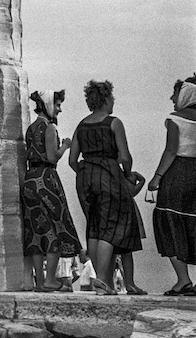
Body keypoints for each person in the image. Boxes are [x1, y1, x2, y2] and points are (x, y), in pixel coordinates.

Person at [68, 79, 146, 295]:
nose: (113, 101)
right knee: (110, 227)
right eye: (112, 97)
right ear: (105, 99)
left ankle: (100, 280)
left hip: (85, 178)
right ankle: (103, 280)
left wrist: (88, 172)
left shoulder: (81, 125)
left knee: (94, 225)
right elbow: (125, 157)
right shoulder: (114, 123)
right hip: (108, 175)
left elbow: (72, 160)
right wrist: (128, 175)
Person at [20, 89, 81, 292]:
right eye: (57, 105)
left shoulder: (30, 128)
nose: (59, 109)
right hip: (46, 179)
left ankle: (39, 281)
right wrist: (65, 146)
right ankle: (50, 280)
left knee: (36, 229)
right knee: (55, 227)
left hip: (30, 179)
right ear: (48, 105)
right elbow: (53, 157)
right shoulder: (49, 128)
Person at [146, 74, 196, 296]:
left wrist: (157, 177)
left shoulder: (176, 119)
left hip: (178, 174)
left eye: (175, 93)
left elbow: (171, 150)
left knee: (169, 219)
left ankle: (183, 280)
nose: (172, 97)